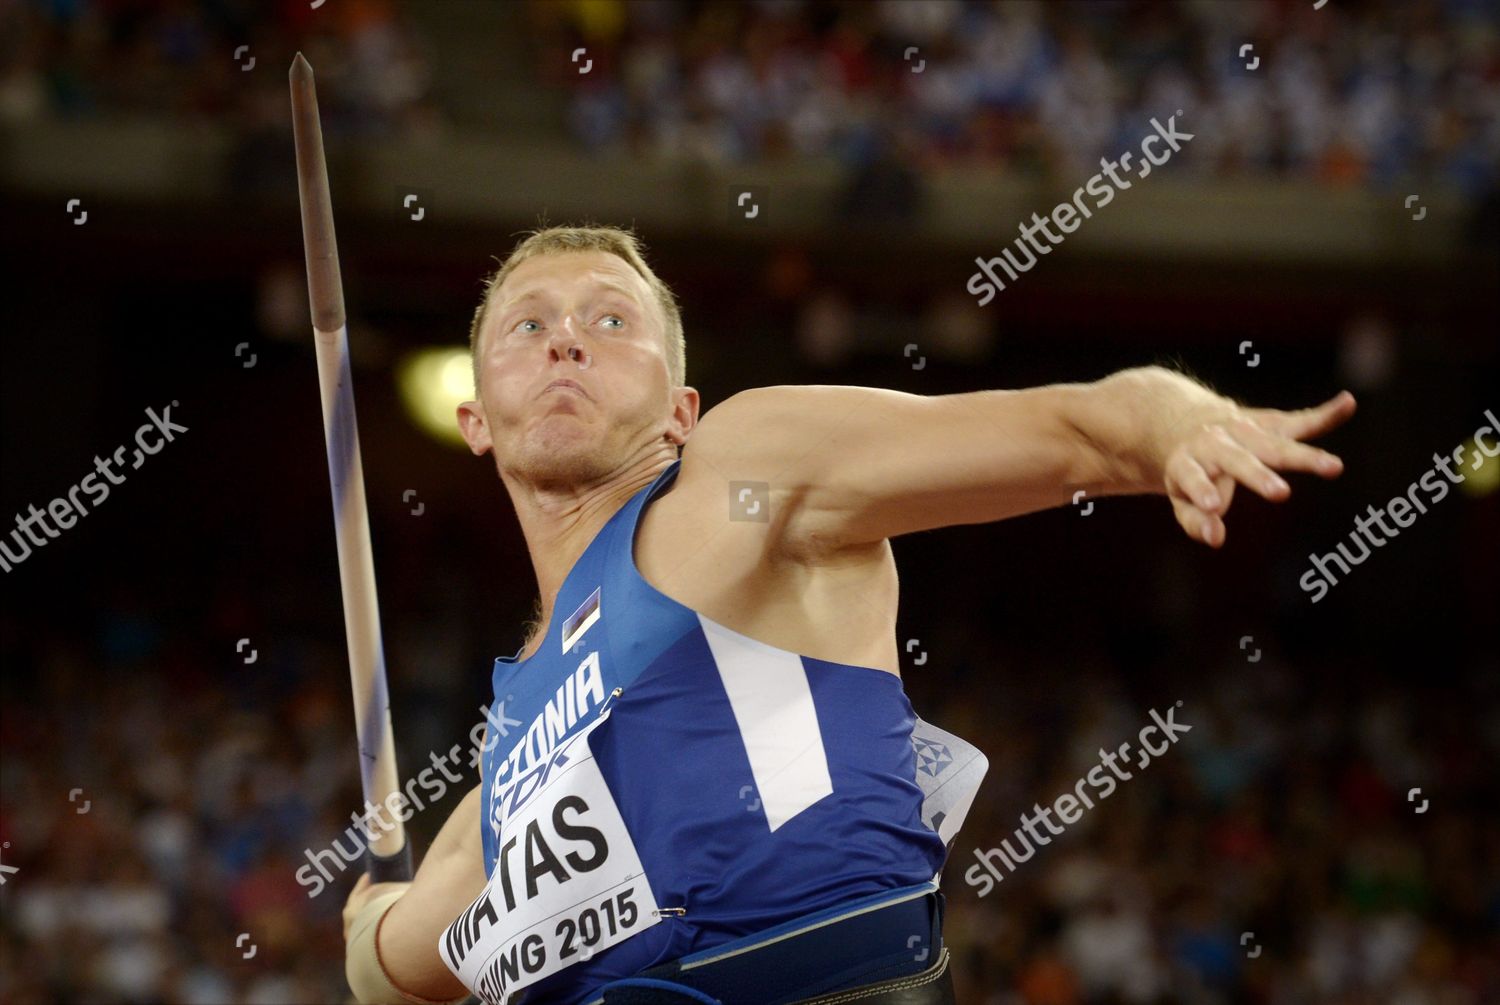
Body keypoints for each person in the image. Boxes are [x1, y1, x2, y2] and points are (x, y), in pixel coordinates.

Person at [341, 225, 1356, 1005]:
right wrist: (368, 924)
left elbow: (1075, 425)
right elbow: (417, 947)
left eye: (610, 321)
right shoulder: (520, 723)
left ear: (681, 409)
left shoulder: (743, 478)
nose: (565, 340)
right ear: (475, 417)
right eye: (527, 325)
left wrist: (1188, 428)